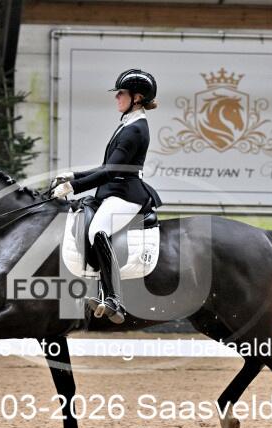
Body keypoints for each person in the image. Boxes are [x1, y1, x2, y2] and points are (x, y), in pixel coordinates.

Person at [52, 68, 163, 324]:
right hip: (115, 190)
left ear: (137, 98)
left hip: (126, 195)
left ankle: (113, 298)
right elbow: (106, 167)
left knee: (98, 231)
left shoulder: (135, 129)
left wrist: (73, 187)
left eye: (121, 93)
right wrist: (73, 175)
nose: (116, 97)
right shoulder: (128, 123)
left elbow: (111, 172)